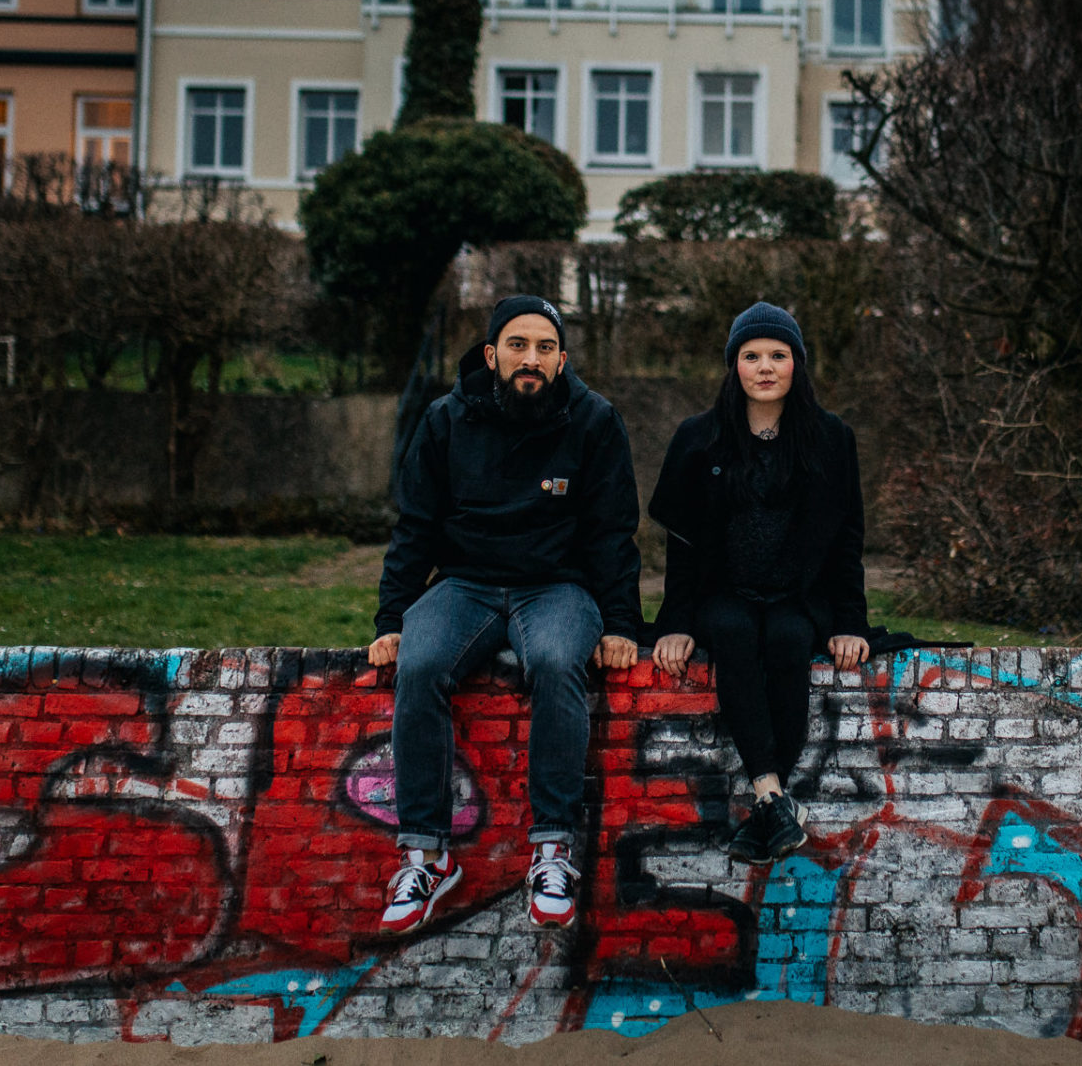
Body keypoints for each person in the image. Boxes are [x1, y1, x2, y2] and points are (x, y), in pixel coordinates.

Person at [369, 295, 641, 933]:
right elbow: (415, 528)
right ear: (492, 354)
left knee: (553, 661)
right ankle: (427, 856)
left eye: (546, 348)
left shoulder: (594, 421)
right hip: (464, 583)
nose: (532, 359)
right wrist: (390, 622)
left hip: (558, 587)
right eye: (518, 345)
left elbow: (612, 533)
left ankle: (552, 851)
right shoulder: (445, 420)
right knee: (421, 662)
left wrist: (623, 624)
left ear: (562, 359)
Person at [646, 302, 869, 865]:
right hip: (726, 594)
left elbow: (847, 540)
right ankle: (775, 800)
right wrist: (674, 623)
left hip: (797, 597)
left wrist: (848, 623)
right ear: (734, 366)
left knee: (791, 642)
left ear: (797, 364)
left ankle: (763, 806)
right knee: (734, 635)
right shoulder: (700, 438)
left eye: (778, 355)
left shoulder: (830, 438)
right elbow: (684, 544)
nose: (765, 367)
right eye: (751, 356)